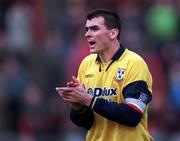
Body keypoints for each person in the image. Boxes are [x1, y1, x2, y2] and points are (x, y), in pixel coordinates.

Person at [56, 9, 153, 141]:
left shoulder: (134, 63)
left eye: (94, 29)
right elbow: (86, 123)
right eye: (86, 29)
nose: (87, 34)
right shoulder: (86, 63)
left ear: (113, 33)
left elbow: (133, 116)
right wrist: (77, 106)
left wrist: (88, 100)